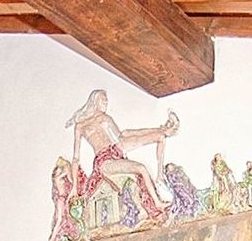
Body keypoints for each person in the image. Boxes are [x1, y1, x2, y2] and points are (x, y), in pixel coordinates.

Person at [67, 89, 180, 220]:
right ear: (95, 101)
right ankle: (157, 203)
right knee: (141, 168)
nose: (106, 103)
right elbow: (76, 159)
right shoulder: (80, 126)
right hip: (104, 160)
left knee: (159, 137)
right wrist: (74, 188)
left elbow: (122, 135)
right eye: (103, 100)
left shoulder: (106, 118)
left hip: (116, 149)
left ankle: (160, 171)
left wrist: (157, 130)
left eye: (106, 100)